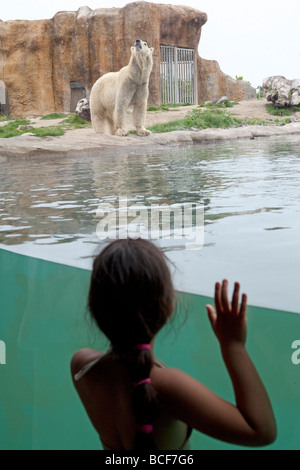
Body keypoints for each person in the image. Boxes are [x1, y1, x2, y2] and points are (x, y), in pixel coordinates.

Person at [71, 238, 277, 450]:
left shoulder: (82, 368)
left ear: (95, 310)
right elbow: (261, 431)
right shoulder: (167, 388)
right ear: (169, 308)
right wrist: (233, 347)